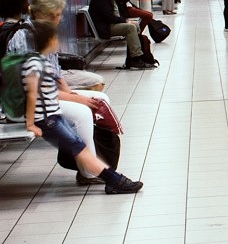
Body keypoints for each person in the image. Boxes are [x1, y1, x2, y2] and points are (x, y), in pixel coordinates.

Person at [2, 0, 113, 185]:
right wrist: (77, 98)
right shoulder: (25, 38)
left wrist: (71, 92)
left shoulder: (43, 32)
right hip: (26, 106)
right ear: (45, 14)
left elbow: (55, 73)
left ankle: (89, 160)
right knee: (82, 114)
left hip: (41, 99)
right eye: (57, 14)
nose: (60, 19)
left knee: (101, 98)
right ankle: (89, 171)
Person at [22, 20, 143, 194]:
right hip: (47, 120)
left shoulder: (41, 62)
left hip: (53, 116)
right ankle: (115, 181)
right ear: (48, 41)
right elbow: (33, 95)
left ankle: (114, 180)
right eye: (56, 38)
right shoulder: (35, 65)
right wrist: (31, 124)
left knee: (79, 148)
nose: (58, 42)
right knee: (79, 149)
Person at [89, 0, 154, 69]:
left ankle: (135, 58)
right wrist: (126, 20)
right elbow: (109, 17)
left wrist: (128, 21)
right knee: (130, 27)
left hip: (107, 25)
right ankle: (135, 58)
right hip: (104, 28)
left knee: (135, 25)